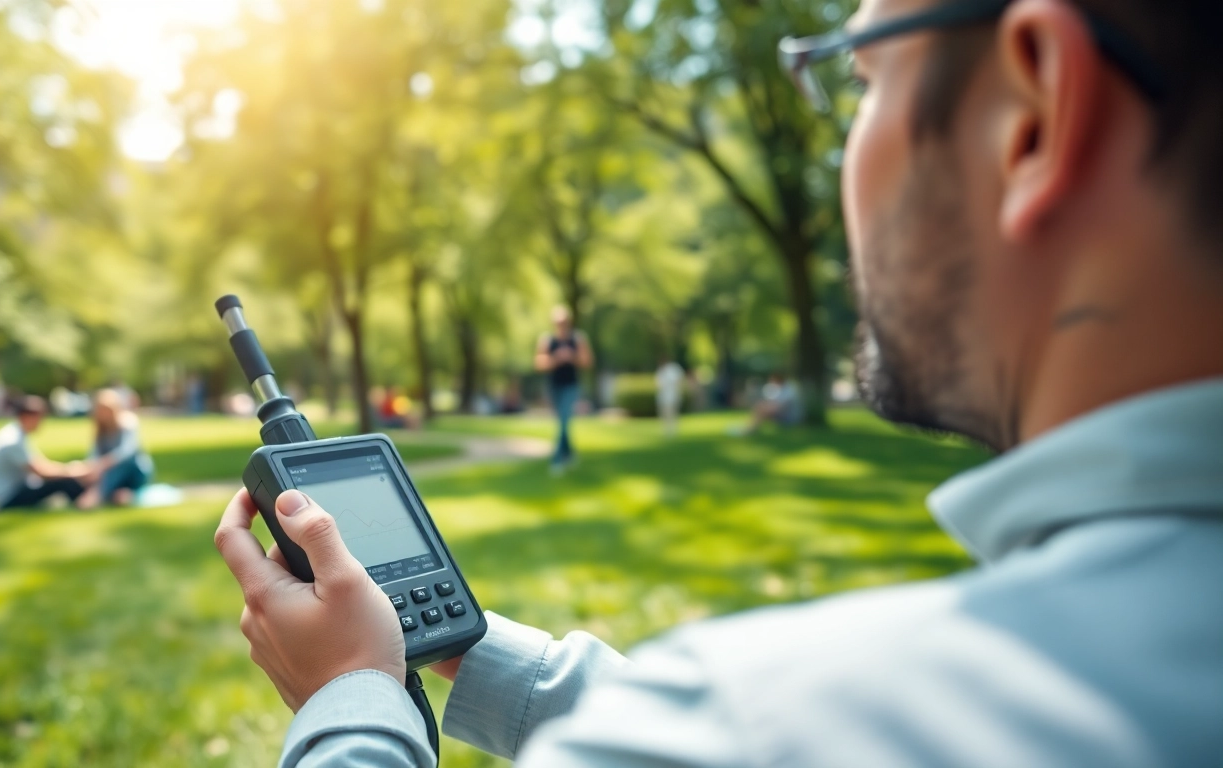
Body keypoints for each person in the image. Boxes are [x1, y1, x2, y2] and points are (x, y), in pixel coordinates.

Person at [213, 0, 1223, 764]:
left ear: (1032, 111)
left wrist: (352, 692)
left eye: (859, 78)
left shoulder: (750, 724)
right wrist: (477, 659)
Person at [0, 396, 91, 511]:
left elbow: (41, 464)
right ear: (26, 417)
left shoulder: (17, 434)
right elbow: (41, 472)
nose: (41, 422)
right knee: (63, 482)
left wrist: (69, 470)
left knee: (62, 479)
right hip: (6, 497)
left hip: (14, 490)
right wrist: (72, 472)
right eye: (39, 418)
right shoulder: (13, 440)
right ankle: (85, 500)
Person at [534, 306, 593, 474]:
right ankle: (570, 454)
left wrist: (572, 357)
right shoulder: (547, 340)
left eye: (564, 322)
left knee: (564, 421)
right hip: (554, 386)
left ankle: (557, 460)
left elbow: (588, 361)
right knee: (562, 422)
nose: (561, 325)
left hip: (571, 385)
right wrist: (556, 359)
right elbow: (539, 363)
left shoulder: (578, 339)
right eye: (558, 322)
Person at [78, 388, 153, 508]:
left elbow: (126, 452)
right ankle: (118, 493)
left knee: (118, 466)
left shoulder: (128, 422)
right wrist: (91, 468)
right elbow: (94, 454)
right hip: (110, 472)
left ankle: (97, 493)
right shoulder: (100, 429)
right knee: (98, 472)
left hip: (134, 470)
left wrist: (101, 465)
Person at [736, 372, 803, 435]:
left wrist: (765, 407)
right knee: (760, 406)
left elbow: (780, 407)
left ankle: (749, 430)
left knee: (762, 409)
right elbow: (772, 402)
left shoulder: (789, 389)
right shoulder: (780, 388)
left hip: (790, 418)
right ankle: (749, 428)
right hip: (782, 414)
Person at [654, 358, 685, 436]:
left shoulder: (672, 370)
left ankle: (672, 431)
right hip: (663, 397)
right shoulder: (660, 371)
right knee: (665, 415)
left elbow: (679, 381)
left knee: (672, 414)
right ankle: (667, 431)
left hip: (672, 397)